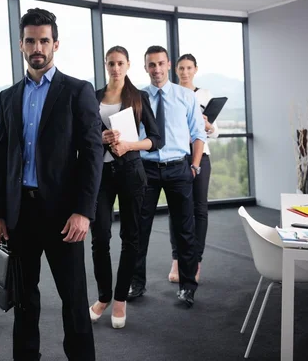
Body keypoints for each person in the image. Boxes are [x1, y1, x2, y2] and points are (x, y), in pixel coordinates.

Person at [0, 8, 103, 361]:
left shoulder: (77, 91)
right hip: (20, 213)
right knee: (23, 301)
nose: (36, 47)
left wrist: (84, 211)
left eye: (43, 40)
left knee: (73, 301)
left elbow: (93, 153)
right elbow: (1, 158)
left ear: (55, 44)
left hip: (64, 216)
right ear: (21, 45)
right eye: (30, 41)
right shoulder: (8, 97)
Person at [127, 45, 207, 308]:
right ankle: (136, 283)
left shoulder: (186, 96)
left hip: (178, 168)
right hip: (146, 169)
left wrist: (194, 166)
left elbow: (198, 134)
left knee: (185, 230)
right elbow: (131, 134)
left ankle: (187, 286)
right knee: (139, 229)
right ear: (146, 67)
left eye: (161, 64)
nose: (157, 69)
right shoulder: (138, 97)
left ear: (169, 65)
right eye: (151, 65)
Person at [88, 46, 161, 329]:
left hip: (131, 172)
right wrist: (100, 136)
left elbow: (156, 139)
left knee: (131, 238)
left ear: (128, 65)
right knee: (100, 238)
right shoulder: (93, 97)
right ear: (105, 65)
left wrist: (130, 144)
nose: (115, 68)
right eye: (110, 63)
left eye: (120, 63)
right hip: (102, 175)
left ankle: (120, 299)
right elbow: (83, 136)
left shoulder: (139, 97)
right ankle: (104, 295)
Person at [167, 53, 219, 284]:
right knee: (176, 209)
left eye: (189, 68)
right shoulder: (171, 93)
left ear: (195, 69)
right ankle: (177, 259)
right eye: (181, 68)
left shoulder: (205, 94)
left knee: (199, 209)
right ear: (175, 70)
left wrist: (207, 124)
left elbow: (214, 131)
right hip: (177, 157)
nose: (185, 72)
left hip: (201, 156)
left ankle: (195, 261)